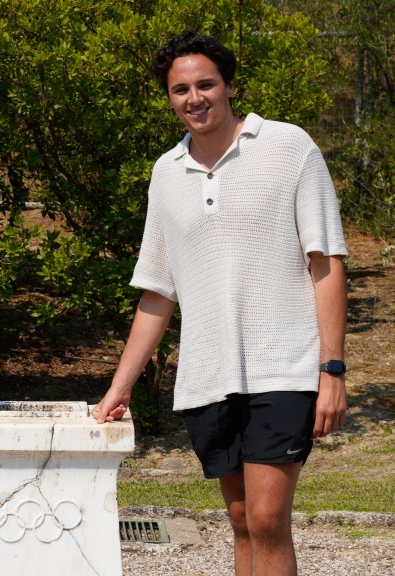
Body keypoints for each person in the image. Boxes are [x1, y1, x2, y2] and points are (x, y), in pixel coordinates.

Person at [91, 32, 348, 576]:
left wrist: (332, 370)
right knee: (240, 521)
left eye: (205, 84)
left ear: (229, 86)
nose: (194, 98)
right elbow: (158, 293)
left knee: (268, 517)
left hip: (284, 368)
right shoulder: (165, 174)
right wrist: (119, 387)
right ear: (169, 98)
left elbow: (325, 264)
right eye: (180, 89)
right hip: (208, 377)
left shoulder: (288, 147)